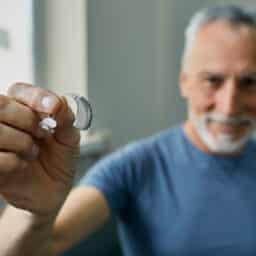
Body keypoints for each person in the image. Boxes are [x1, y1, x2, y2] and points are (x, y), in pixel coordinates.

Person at [2, 4, 256, 256]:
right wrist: (33, 212)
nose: (229, 106)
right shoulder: (137, 165)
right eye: (213, 80)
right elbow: (44, 244)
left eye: (249, 82)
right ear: (184, 82)